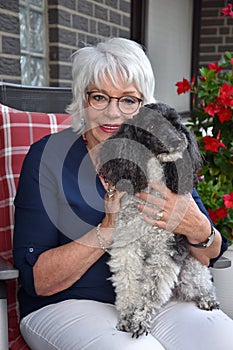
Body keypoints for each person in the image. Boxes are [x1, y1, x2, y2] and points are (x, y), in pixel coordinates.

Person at [13, 37, 233, 350]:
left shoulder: (161, 151)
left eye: (129, 100)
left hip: (158, 300)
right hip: (68, 303)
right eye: (100, 97)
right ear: (82, 99)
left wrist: (195, 226)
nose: (113, 113)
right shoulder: (48, 157)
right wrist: (108, 228)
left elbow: (211, 253)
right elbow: (38, 282)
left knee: (223, 340)